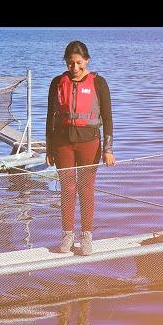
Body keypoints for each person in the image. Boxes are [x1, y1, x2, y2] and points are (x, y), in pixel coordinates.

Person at [45, 41, 115, 255]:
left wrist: (108, 149)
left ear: (87, 61)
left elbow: (108, 118)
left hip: (89, 143)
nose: (74, 68)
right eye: (70, 63)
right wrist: (49, 149)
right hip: (62, 143)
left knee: (86, 189)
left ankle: (86, 236)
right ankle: (67, 235)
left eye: (78, 63)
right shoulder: (57, 82)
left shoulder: (99, 83)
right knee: (67, 189)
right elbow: (50, 118)